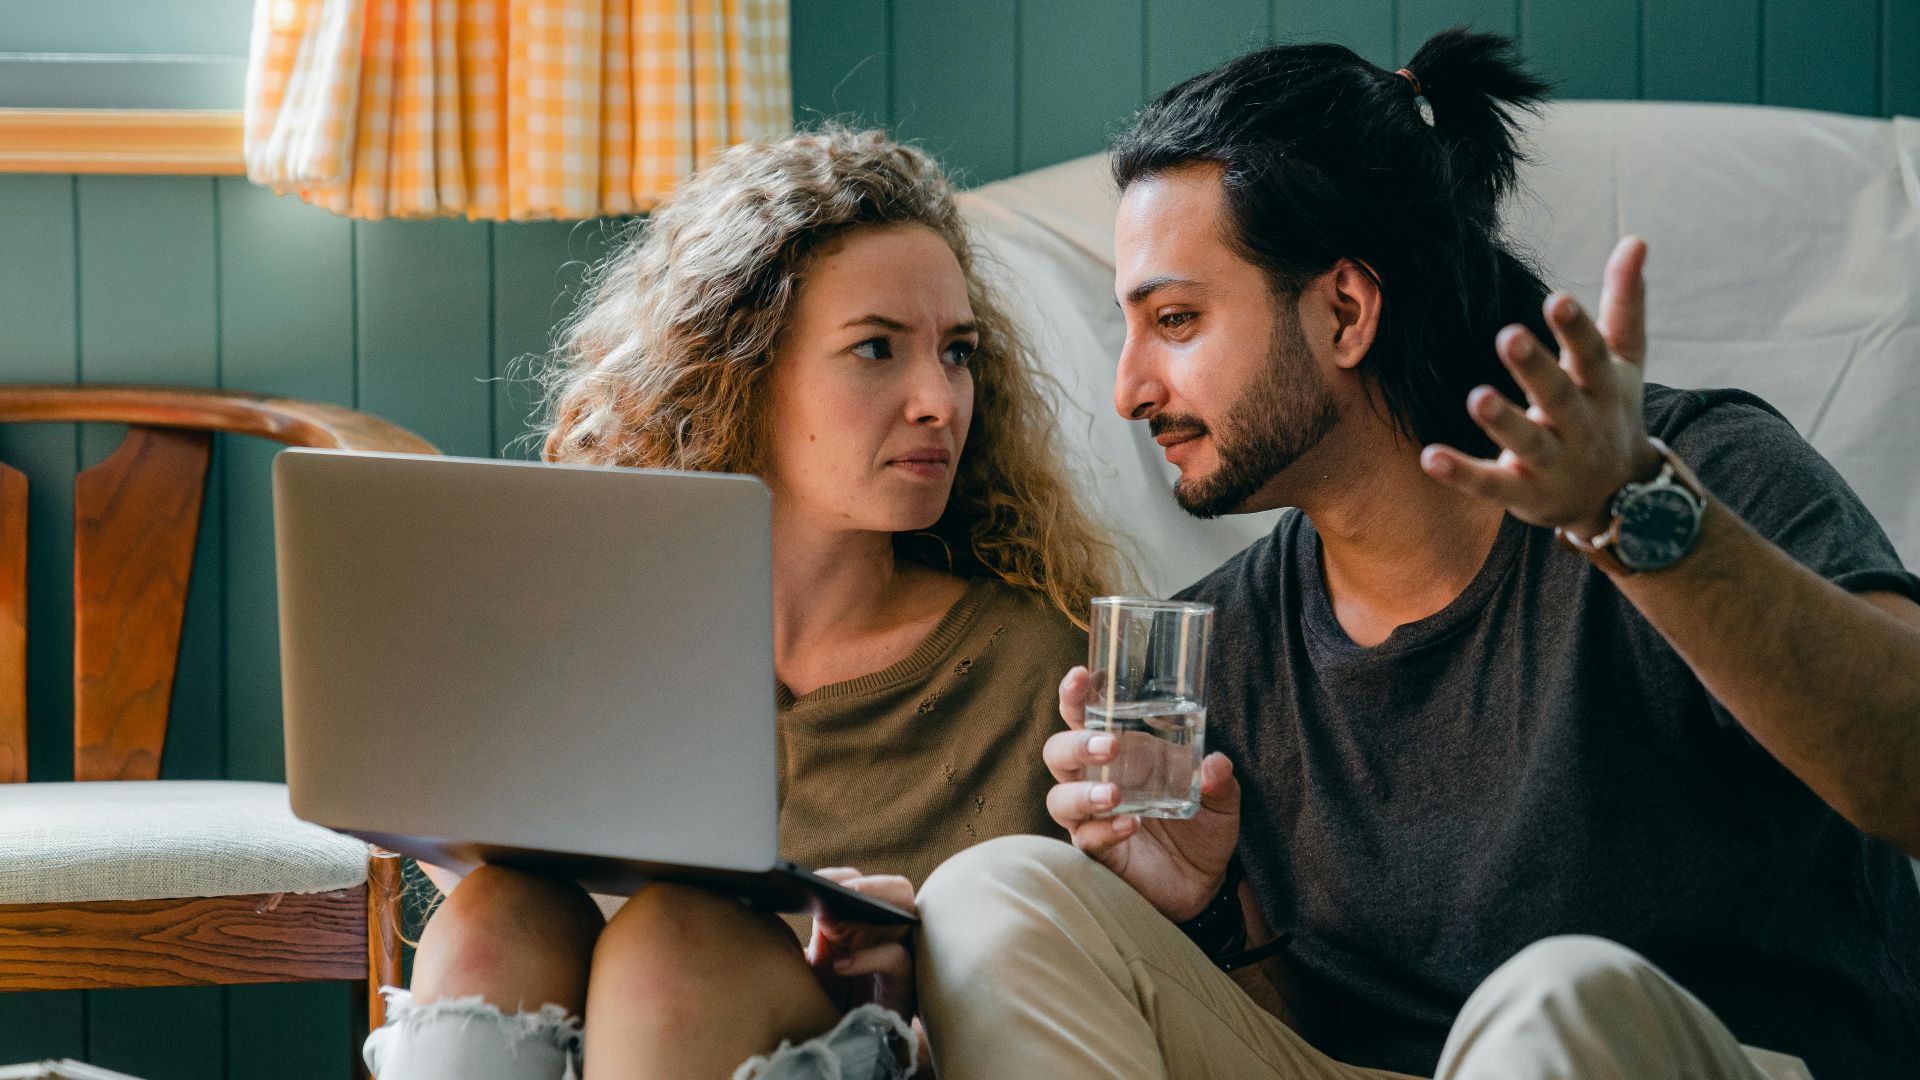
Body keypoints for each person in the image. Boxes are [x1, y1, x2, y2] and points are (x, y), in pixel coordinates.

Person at [912, 29, 1920, 1080]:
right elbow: (1301, 1044)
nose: (1130, 389)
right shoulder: (1230, 653)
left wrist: (1646, 525)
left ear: (1345, 309)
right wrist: (1210, 914)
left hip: (1673, 1056)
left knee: (1556, 999)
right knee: (991, 899)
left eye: (1175, 319)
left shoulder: (1687, 483)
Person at [361, 127, 1123, 1080]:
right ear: (739, 371)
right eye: (877, 349)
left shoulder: (1045, 664)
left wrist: (897, 978)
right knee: (489, 919)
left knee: (675, 951)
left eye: (958, 353)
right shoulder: (592, 635)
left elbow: (1081, 993)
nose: (939, 399)